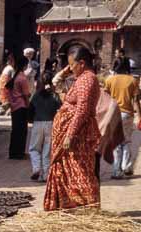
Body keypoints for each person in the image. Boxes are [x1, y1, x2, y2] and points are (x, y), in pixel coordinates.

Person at [44, 47, 102, 211]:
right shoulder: (82, 78)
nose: (70, 68)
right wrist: (67, 69)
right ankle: (69, 205)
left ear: (82, 63)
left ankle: (87, 208)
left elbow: (82, 110)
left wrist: (70, 135)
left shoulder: (87, 80)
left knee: (80, 171)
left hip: (77, 136)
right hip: (70, 134)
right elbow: (56, 82)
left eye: (72, 65)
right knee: (69, 171)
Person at [105, 59, 140, 178]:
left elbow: (106, 98)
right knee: (126, 141)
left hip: (113, 114)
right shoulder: (132, 81)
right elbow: (135, 101)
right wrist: (139, 116)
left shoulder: (109, 80)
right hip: (127, 114)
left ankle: (116, 171)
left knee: (116, 143)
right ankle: (126, 166)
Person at [28, 72, 61, 182]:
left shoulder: (36, 95)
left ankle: (36, 168)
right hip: (51, 124)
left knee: (34, 149)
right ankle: (46, 174)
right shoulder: (54, 95)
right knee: (47, 150)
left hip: (38, 123)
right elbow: (61, 108)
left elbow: (30, 108)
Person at [6, 57, 31, 159]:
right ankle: (20, 153)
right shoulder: (22, 78)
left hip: (14, 107)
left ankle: (13, 152)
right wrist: (29, 105)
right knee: (22, 131)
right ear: (24, 65)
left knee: (15, 130)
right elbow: (26, 95)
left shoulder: (15, 77)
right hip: (21, 106)